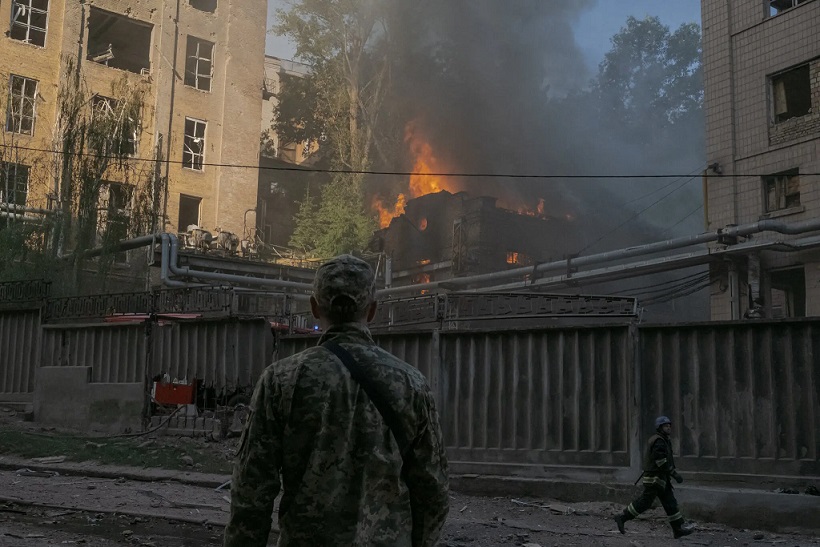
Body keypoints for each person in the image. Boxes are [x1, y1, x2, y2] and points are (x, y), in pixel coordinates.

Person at [224, 254, 450, 547]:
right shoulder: (411, 384)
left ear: (315, 307)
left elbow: (251, 494)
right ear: (372, 310)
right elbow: (433, 491)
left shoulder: (281, 380)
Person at [613, 416, 694, 539]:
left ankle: (678, 529)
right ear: (660, 427)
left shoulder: (663, 439)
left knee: (670, 503)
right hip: (655, 479)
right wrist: (674, 474)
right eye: (666, 426)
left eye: (669, 425)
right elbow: (660, 461)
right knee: (645, 502)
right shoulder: (659, 441)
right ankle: (622, 517)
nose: (668, 428)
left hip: (661, 479)